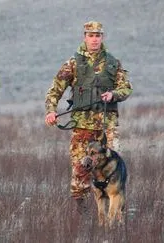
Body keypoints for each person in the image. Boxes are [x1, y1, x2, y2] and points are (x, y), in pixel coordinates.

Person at [44, 21, 132, 213]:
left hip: (107, 124)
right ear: (85, 36)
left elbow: (126, 88)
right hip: (82, 125)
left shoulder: (112, 63)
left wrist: (113, 95)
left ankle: (117, 208)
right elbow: (55, 89)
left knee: (114, 165)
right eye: (91, 35)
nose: (94, 39)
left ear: (102, 37)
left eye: (98, 35)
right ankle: (81, 212)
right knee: (80, 168)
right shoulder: (73, 63)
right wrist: (51, 110)